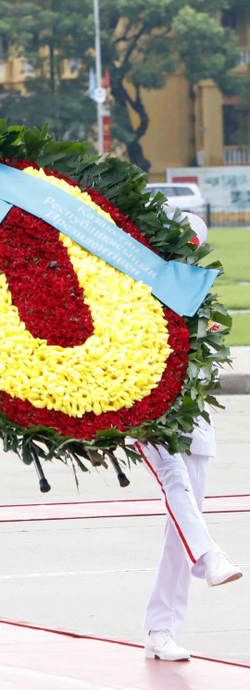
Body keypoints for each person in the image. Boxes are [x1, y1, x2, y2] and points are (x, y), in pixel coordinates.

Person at [140, 213, 242, 661]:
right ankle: (210, 556)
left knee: (181, 526)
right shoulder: (137, 286)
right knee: (178, 490)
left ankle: (161, 630)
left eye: (191, 246)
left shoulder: (200, 294)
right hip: (148, 415)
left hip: (194, 419)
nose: (183, 252)